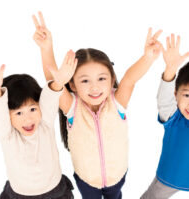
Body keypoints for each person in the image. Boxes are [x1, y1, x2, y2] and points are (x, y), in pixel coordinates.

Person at [32, 11, 162, 199]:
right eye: (85, 81)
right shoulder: (72, 107)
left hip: (117, 175)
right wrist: (46, 48)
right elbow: (53, 80)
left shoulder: (117, 102)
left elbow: (130, 79)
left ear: (112, 80)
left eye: (101, 78)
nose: (94, 87)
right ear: (73, 85)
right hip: (86, 179)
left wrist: (148, 57)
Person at [0, 55, 75, 198]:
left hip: (54, 192)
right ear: (8, 115)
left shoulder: (45, 123)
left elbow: (50, 99)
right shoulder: (7, 134)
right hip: (20, 195)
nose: (28, 118)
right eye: (19, 113)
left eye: (32, 109)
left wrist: (58, 83)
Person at [141, 34, 189, 199]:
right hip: (167, 179)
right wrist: (170, 70)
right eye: (187, 95)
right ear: (176, 94)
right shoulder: (173, 118)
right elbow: (164, 101)